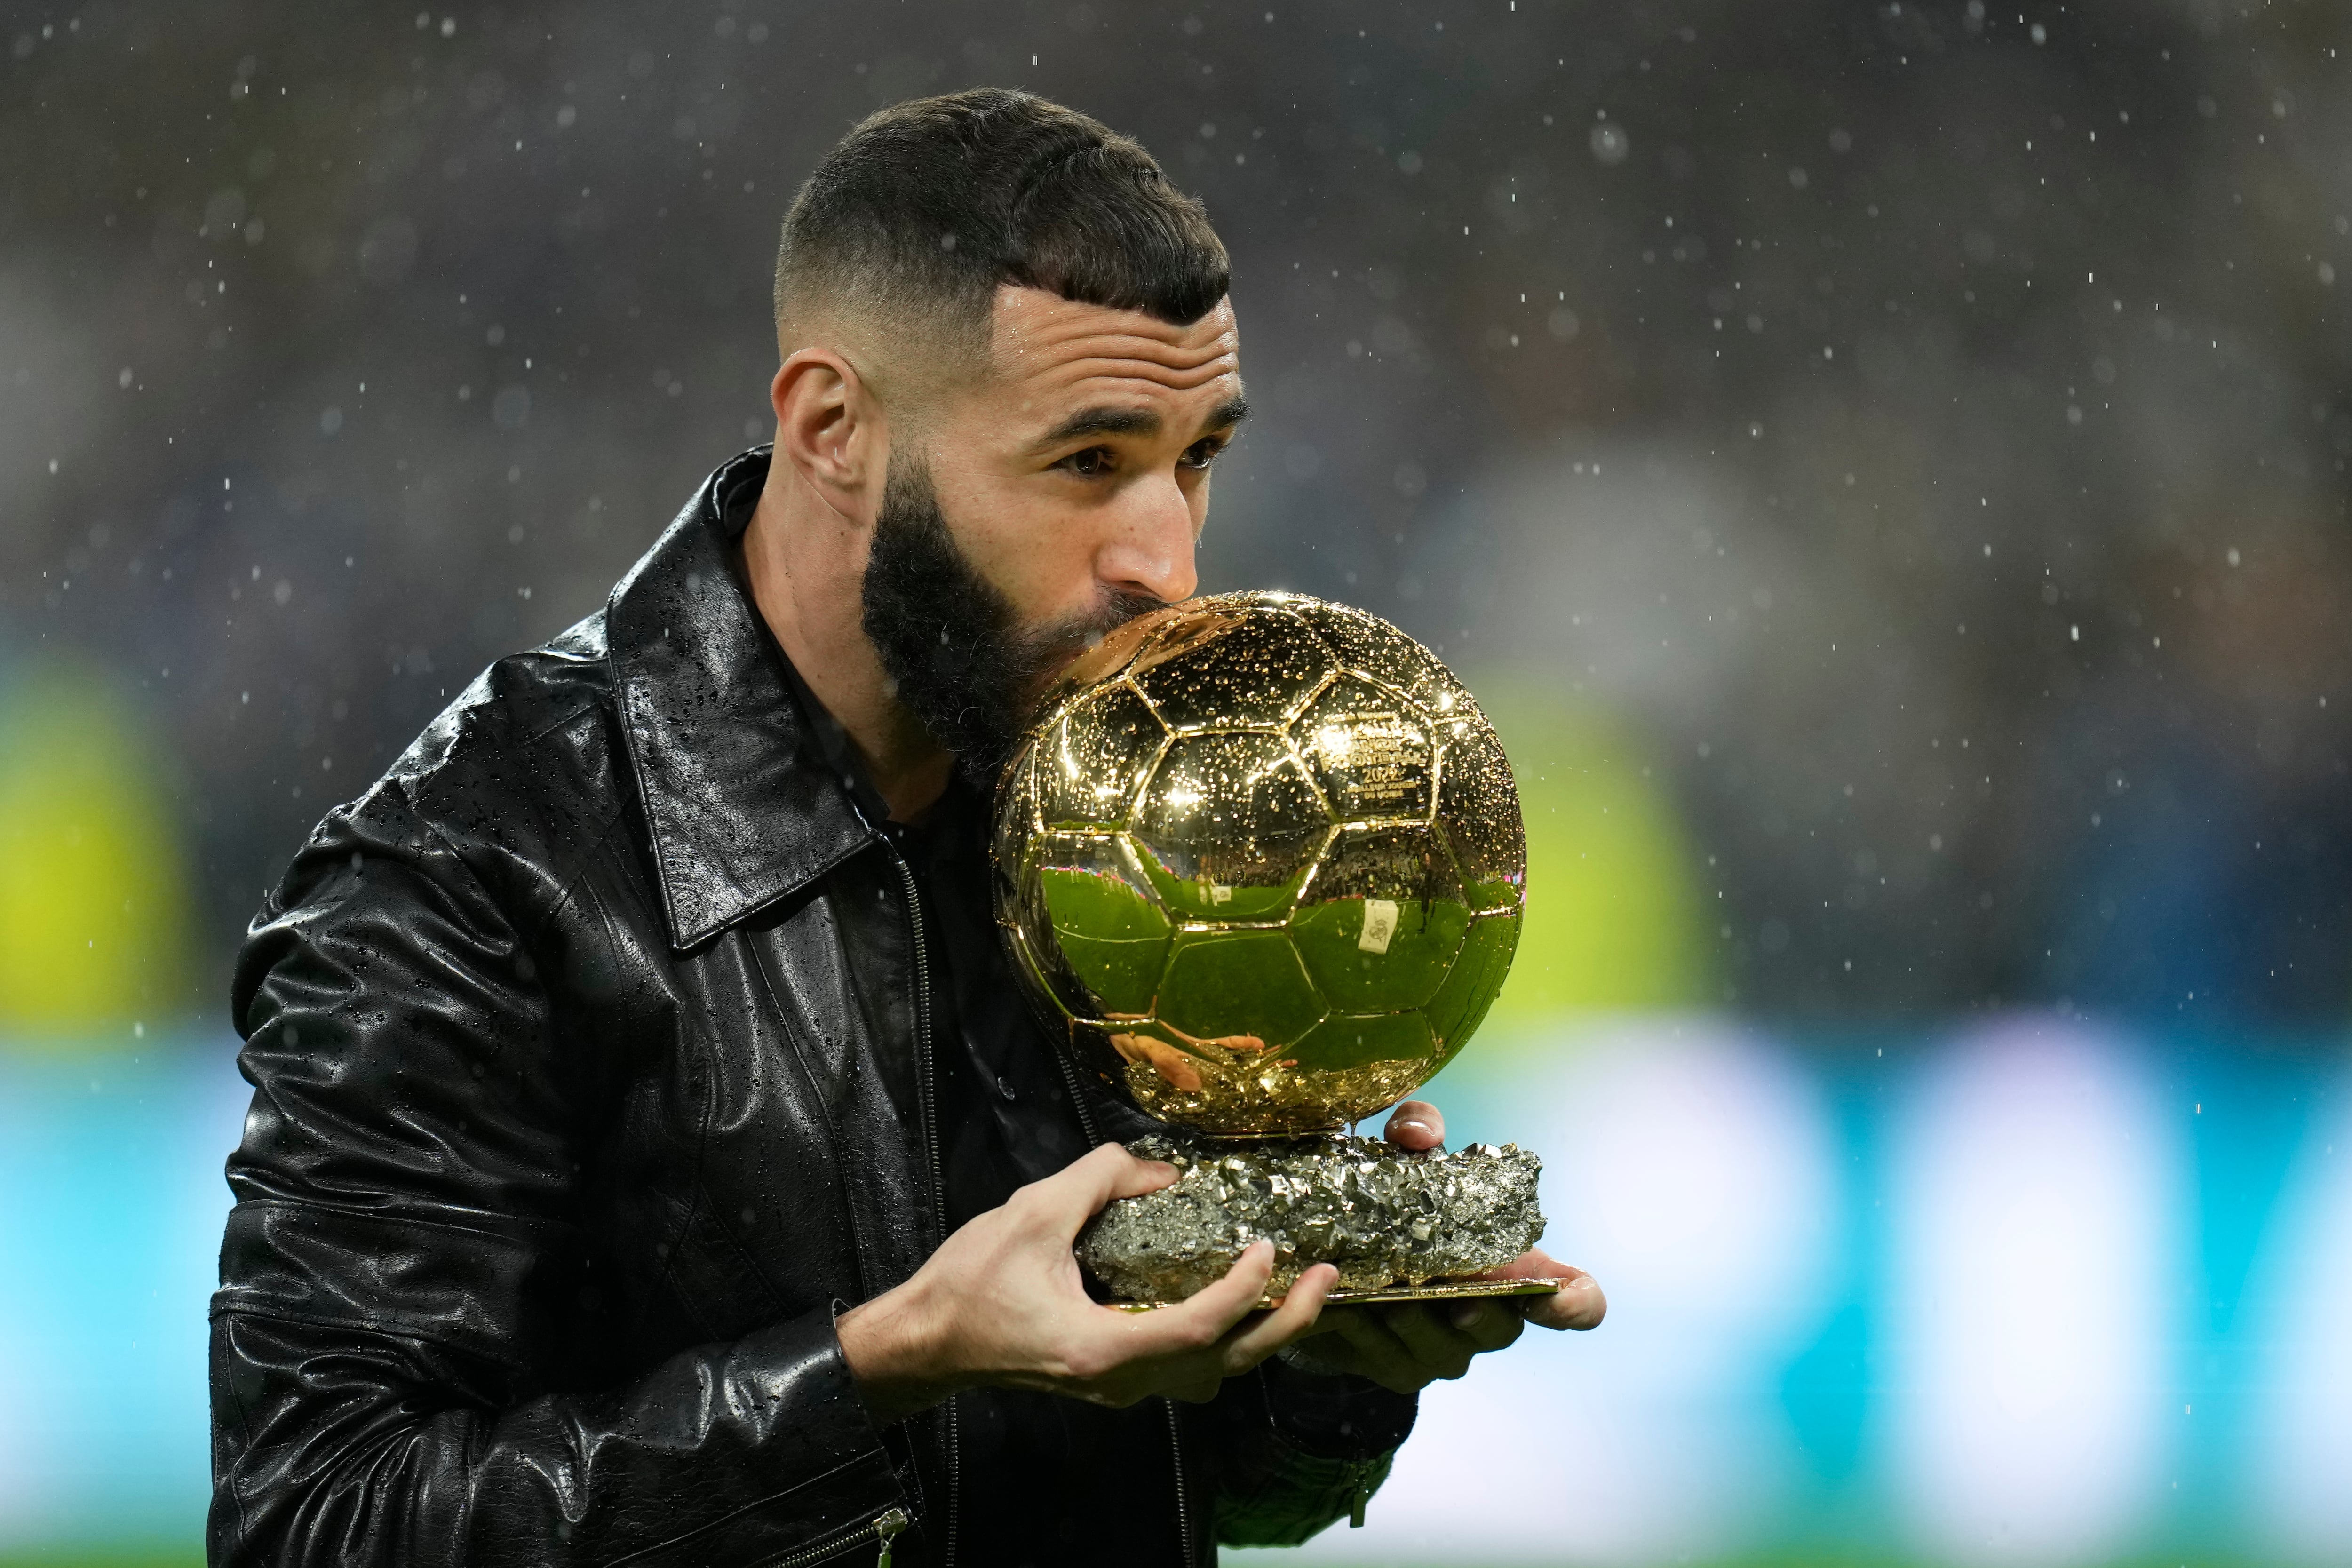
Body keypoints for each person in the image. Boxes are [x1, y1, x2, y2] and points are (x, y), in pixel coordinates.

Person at [210, 88, 1604, 1568]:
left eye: (1198, 457)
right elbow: (316, 1526)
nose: (1168, 561)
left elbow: (1168, 1490)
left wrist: (1321, 1363)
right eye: (1088, 463)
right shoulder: (473, 875)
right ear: (834, 429)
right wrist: (882, 1363)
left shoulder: (1132, 830)